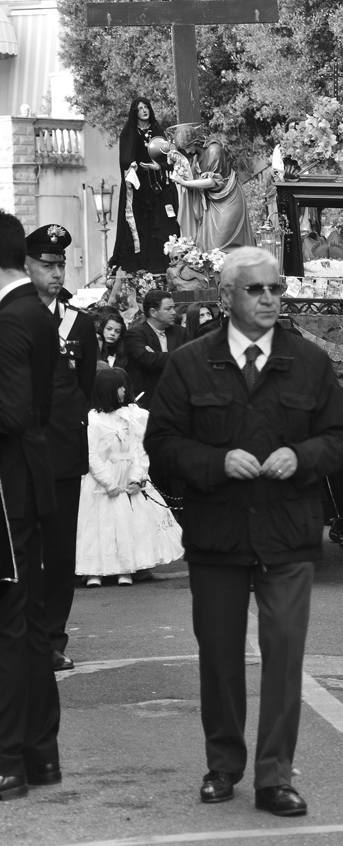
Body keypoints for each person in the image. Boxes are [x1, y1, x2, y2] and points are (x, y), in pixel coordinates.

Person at [144, 247, 343, 817]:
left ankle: (274, 776)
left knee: (284, 656)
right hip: (219, 534)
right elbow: (159, 446)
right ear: (226, 297)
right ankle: (223, 764)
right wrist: (215, 463)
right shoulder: (189, 363)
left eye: (276, 288)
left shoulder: (309, 360)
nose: (269, 299)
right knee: (218, 655)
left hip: (288, 531)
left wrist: (301, 454)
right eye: (256, 289)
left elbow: (341, 436)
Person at [0, 211, 61, 799]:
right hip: (24, 482)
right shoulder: (31, 314)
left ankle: (9, 759)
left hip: (9, 490)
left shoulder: (11, 318)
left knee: (12, 627)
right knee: (29, 625)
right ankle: (38, 755)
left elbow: (16, 412)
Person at [24, 224, 98, 671]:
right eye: (47, 265)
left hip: (64, 455)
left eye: (60, 265)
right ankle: (23, 634)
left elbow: (85, 387)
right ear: (27, 265)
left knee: (59, 551)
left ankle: (53, 638)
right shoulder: (13, 317)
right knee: (21, 549)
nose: (56, 273)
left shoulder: (79, 323)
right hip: (21, 452)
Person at [76, 368, 183, 587]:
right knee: (101, 524)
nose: (125, 390)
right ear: (108, 390)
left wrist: (137, 478)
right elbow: (92, 455)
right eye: (120, 386)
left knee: (127, 523)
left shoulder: (128, 417)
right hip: (102, 481)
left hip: (127, 477)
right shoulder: (92, 419)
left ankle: (126, 569)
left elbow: (138, 449)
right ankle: (96, 571)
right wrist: (109, 482)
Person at [109, 97, 180, 274]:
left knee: (162, 225)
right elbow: (125, 158)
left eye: (146, 107)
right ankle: (138, 266)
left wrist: (159, 166)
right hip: (138, 187)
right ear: (135, 112)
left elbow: (168, 158)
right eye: (140, 108)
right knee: (138, 225)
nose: (144, 110)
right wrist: (131, 164)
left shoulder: (157, 130)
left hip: (157, 185)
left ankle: (164, 263)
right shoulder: (129, 132)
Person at [168, 123, 254, 252]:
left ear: (195, 142)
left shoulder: (214, 150)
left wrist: (184, 183)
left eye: (186, 147)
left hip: (228, 199)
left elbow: (212, 182)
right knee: (208, 245)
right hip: (212, 202)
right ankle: (214, 269)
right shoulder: (196, 155)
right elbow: (192, 176)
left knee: (222, 244)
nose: (186, 151)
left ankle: (232, 269)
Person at [125, 290, 185, 409]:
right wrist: (178, 357)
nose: (174, 312)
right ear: (153, 312)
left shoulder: (181, 333)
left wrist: (156, 356)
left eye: (174, 308)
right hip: (149, 401)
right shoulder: (135, 334)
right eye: (168, 309)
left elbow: (190, 359)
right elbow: (145, 360)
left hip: (178, 399)